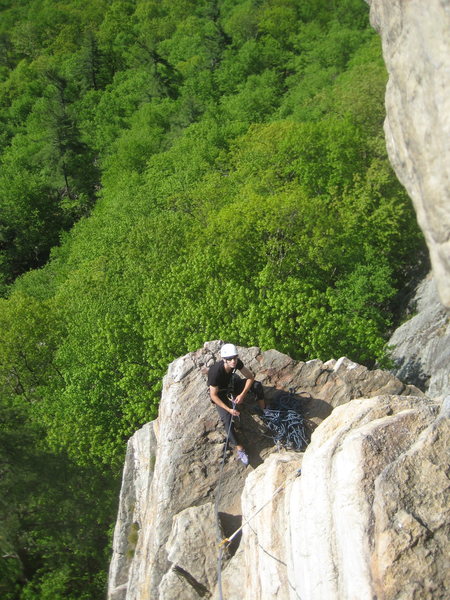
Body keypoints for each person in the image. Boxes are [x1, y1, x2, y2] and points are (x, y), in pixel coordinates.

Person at [207, 343, 265, 465]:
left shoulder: (236, 363)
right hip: (220, 393)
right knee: (227, 421)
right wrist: (228, 410)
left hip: (231, 385)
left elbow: (250, 377)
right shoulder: (215, 372)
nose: (233, 361)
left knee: (257, 386)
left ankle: (264, 411)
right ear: (224, 360)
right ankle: (240, 448)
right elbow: (213, 395)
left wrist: (242, 394)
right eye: (230, 359)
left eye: (235, 358)